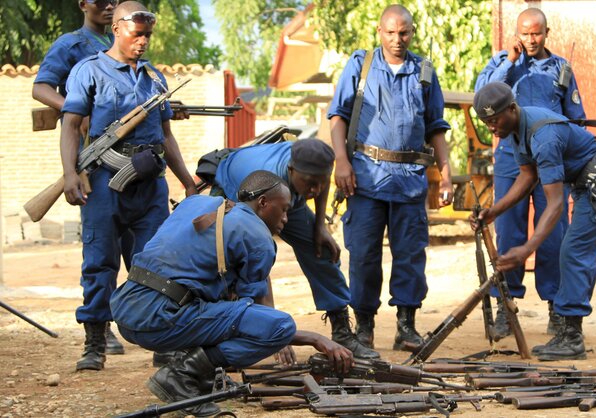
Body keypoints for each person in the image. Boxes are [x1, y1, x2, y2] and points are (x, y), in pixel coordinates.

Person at [111, 171, 354, 416]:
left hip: (125, 308)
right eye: (284, 209)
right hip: (160, 318)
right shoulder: (259, 239)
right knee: (281, 325)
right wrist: (316, 338)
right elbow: (252, 316)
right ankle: (180, 375)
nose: (286, 218)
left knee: (218, 303)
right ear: (263, 203)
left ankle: (202, 377)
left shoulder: (197, 202)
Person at [60, 1, 197, 371]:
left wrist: (186, 180)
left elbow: (166, 135)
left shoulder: (154, 77)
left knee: (154, 264)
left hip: (150, 185)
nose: (144, 42)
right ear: (118, 28)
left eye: (148, 36)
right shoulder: (89, 72)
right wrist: (71, 174)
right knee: (100, 262)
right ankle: (94, 343)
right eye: (138, 35)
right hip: (105, 181)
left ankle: (161, 342)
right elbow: (71, 126)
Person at [470, 82, 596, 361]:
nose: (491, 128)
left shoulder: (543, 137)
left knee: (572, 252)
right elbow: (527, 176)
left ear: (511, 109)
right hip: (582, 179)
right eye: (486, 123)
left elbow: (555, 204)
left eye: (494, 121)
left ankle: (571, 337)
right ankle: (569, 329)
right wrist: (494, 211)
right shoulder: (515, 129)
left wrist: (527, 249)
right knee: (576, 251)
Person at [328, 4, 453, 352]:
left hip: (410, 181)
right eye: (391, 32)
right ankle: (364, 327)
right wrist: (341, 161)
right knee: (365, 255)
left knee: (411, 256)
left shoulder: (424, 71)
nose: (398, 39)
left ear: (412, 33)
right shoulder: (361, 65)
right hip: (365, 179)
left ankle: (406, 327)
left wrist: (445, 177)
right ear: (380, 32)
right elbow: (338, 117)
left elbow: (436, 128)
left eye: (404, 33)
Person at [475, 8, 586, 343]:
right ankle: (506, 307)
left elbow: (576, 116)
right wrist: (509, 62)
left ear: (547, 32)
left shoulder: (561, 68)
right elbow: (482, 96)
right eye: (525, 33)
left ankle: (556, 305)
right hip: (512, 158)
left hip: (551, 158)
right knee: (509, 230)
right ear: (517, 33)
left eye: (536, 33)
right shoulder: (502, 62)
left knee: (554, 232)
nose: (531, 39)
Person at [212, 139, 380, 359]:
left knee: (321, 249)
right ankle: (233, 337)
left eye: (321, 182)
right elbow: (258, 261)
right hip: (237, 192)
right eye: (311, 183)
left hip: (285, 191)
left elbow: (319, 181)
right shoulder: (263, 186)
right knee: (245, 262)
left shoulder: (310, 172)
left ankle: (342, 332)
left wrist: (320, 226)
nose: (316, 190)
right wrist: (274, 331)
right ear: (291, 170)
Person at [32, 0, 129, 357]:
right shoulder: (71, 44)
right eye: (99, 1)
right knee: (101, 251)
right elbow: (41, 88)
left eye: (114, 2)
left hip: (129, 169)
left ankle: (142, 325)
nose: (108, 6)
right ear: (82, 4)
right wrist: (75, 107)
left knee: (137, 250)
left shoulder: (125, 44)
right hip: (92, 162)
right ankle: (99, 332)